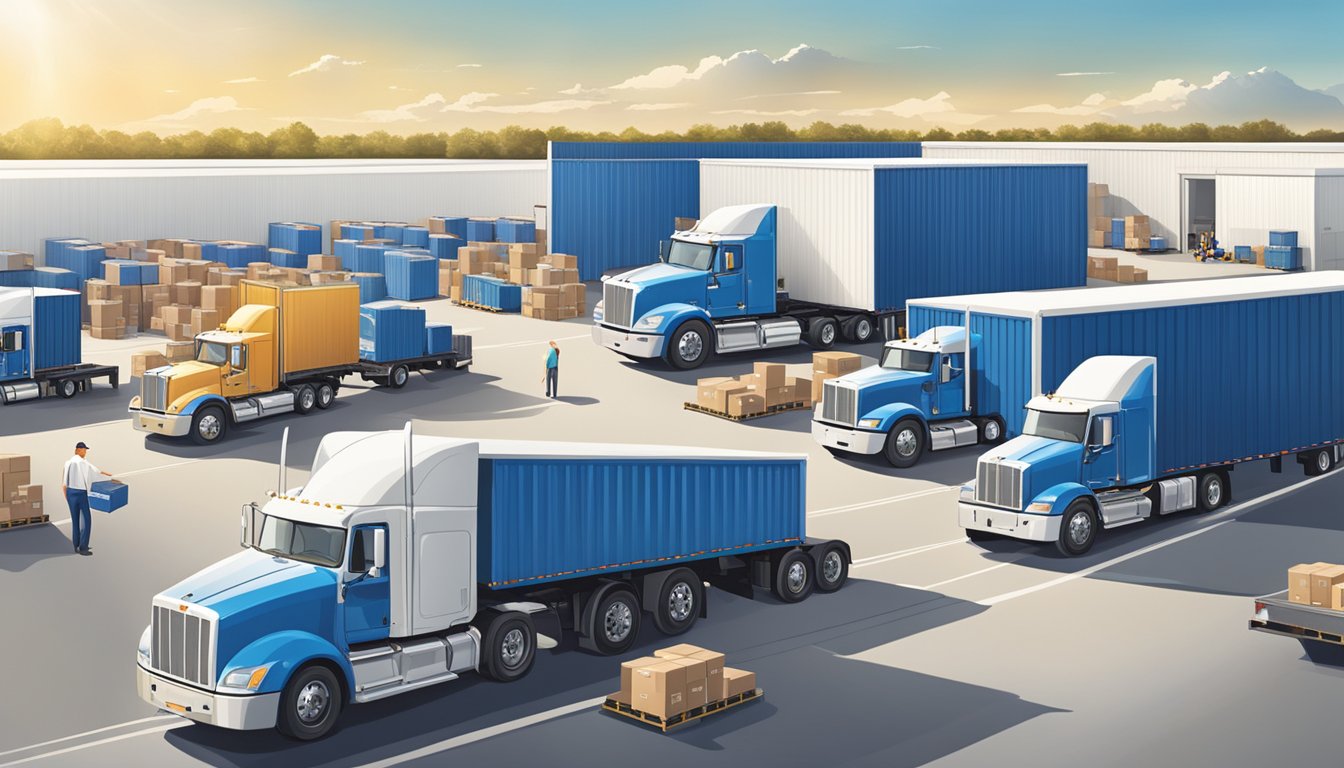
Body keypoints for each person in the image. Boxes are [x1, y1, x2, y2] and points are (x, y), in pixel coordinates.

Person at [62, 441, 112, 556]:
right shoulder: (83, 462)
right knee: (86, 520)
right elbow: (97, 472)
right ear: (77, 450)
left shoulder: (67, 462)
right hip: (81, 493)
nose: (85, 453)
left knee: (75, 520)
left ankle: (75, 545)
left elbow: (64, 483)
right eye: (84, 450)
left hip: (70, 492)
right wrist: (110, 477)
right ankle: (83, 547)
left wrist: (67, 496)